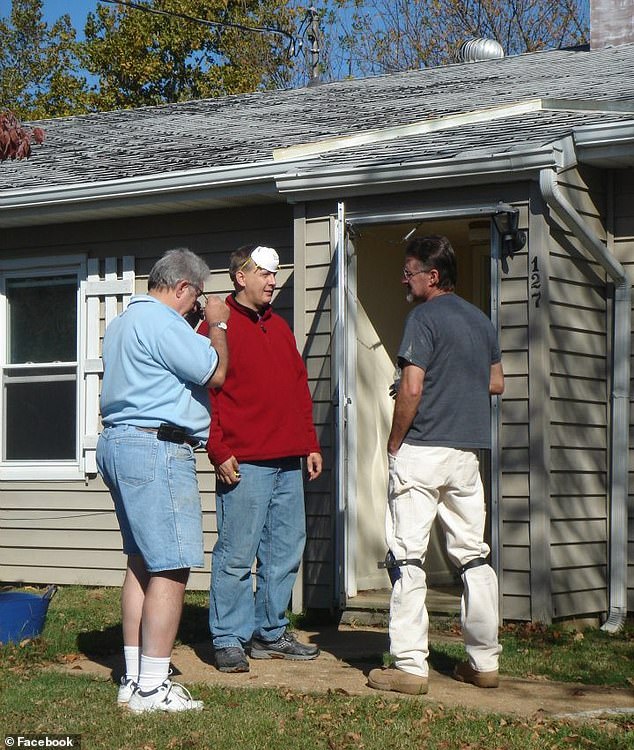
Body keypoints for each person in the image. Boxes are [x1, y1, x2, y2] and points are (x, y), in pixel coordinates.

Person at [368, 235, 504, 696]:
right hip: (466, 454)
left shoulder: (422, 317)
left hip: (422, 451)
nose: (404, 280)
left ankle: (409, 667)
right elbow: (496, 381)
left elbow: (411, 388)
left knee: (407, 556)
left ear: (433, 275)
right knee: (473, 557)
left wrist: (393, 443)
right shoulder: (480, 320)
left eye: (409, 272)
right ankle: (483, 662)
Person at [97, 248, 229, 713]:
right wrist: (218, 324)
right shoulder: (163, 322)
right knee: (172, 565)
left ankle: (134, 680)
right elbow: (216, 371)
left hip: (117, 441)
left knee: (141, 561)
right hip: (156, 445)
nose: (199, 306)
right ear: (182, 288)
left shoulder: (124, 322)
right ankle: (153, 689)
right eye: (197, 298)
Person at [199, 244, 322, 673]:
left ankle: (269, 633)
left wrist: (310, 442)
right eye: (265, 274)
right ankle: (228, 638)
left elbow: (296, 387)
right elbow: (205, 396)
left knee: (285, 550)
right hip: (243, 460)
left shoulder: (282, 327)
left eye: (274, 274)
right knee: (237, 553)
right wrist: (218, 449)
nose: (272, 281)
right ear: (240, 277)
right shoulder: (216, 327)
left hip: (289, 457)